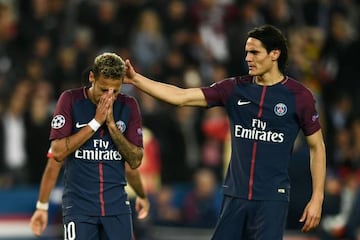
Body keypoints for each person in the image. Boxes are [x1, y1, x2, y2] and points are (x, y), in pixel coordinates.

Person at [124, 24, 326, 239]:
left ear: (275, 54)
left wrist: (317, 198)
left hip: (271, 201)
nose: (248, 58)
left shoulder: (298, 96)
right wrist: (137, 80)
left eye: (255, 52)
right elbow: (181, 97)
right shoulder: (234, 89)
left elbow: (317, 147)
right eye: (247, 52)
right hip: (234, 197)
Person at [29, 52, 149, 240]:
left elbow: (134, 161)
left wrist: (111, 126)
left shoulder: (128, 106)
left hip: (117, 208)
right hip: (79, 209)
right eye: (103, 89)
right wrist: (95, 123)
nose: (109, 97)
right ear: (92, 77)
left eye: (115, 91)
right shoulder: (70, 101)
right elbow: (57, 154)